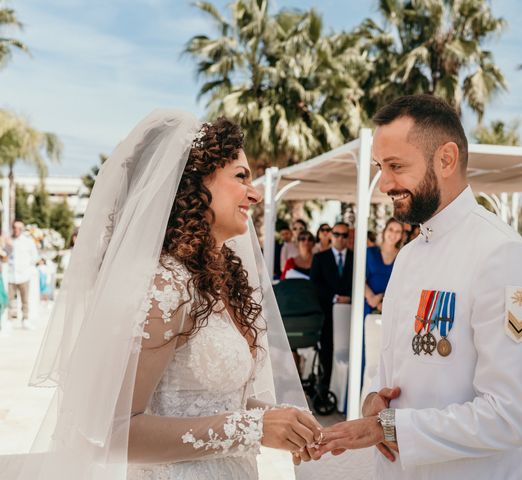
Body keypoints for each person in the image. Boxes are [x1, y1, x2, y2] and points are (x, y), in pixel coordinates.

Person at [1, 111, 320, 480]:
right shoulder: (165, 286)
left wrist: (277, 420)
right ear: (192, 186)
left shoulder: (217, 279)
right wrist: (251, 428)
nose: (255, 192)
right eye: (240, 176)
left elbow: (208, 399)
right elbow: (114, 431)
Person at [312, 95, 522, 480]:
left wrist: (390, 429)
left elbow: (510, 415)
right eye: (379, 167)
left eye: (396, 166)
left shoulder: (501, 256)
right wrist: (372, 397)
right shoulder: (408, 255)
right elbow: (393, 364)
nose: (384, 183)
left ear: (447, 159)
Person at [310, 222, 353, 387]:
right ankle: (325, 387)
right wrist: (334, 298)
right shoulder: (320, 258)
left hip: (350, 313)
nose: (340, 238)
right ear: (330, 235)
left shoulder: (355, 257)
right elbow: (314, 285)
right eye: (336, 234)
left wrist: (349, 297)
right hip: (327, 312)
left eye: (344, 235)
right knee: (327, 350)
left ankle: (344, 388)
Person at [364, 218, 403, 316]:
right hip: (369, 304)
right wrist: (371, 297)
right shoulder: (370, 252)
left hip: (392, 307)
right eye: (391, 229)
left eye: (398, 231)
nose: (393, 234)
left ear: (401, 235)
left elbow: (403, 283)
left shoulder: (402, 256)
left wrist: (384, 298)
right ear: (384, 231)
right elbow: (359, 279)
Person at [7, 220, 39, 330]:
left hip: (24, 275)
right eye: (15, 227)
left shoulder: (28, 241)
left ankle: (25, 319)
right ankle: (9, 320)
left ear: (22, 229)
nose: (17, 230)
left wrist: (27, 268)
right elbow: (4, 255)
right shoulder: (8, 240)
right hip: (11, 275)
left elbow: (34, 257)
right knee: (9, 299)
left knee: (25, 300)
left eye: (19, 228)